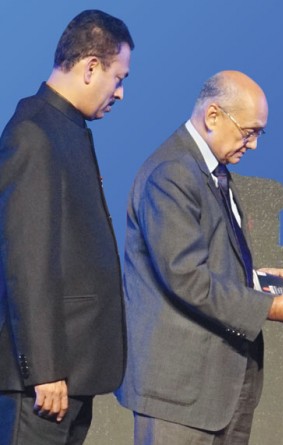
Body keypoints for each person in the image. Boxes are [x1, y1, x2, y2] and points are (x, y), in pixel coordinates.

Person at [116, 70, 283, 444]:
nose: (255, 144)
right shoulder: (172, 173)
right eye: (249, 132)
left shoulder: (212, 171)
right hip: (179, 397)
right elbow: (186, 279)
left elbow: (206, 262)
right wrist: (271, 307)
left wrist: (256, 281)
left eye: (259, 133)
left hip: (217, 392)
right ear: (213, 116)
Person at [0, 10, 133, 444]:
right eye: (118, 77)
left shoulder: (65, 127)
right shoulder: (34, 133)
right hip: (45, 381)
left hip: (70, 372)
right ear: (91, 66)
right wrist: (45, 368)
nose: (121, 92)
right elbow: (27, 260)